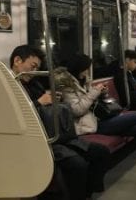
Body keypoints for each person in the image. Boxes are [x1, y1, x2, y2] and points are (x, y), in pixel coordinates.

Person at [56, 54, 136, 184]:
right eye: (86, 68)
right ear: (79, 68)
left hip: (99, 118)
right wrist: (94, 93)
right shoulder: (66, 87)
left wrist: (101, 92)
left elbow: (93, 102)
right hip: (89, 125)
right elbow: (77, 110)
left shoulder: (83, 81)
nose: (88, 71)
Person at [10, 45, 110, 200]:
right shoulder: (10, 86)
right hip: (40, 140)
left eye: (37, 68)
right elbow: (15, 117)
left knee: (101, 152)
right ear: (17, 61)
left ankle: (86, 193)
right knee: (78, 165)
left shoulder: (33, 83)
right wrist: (39, 102)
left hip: (58, 134)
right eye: (33, 66)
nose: (35, 71)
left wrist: (51, 98)